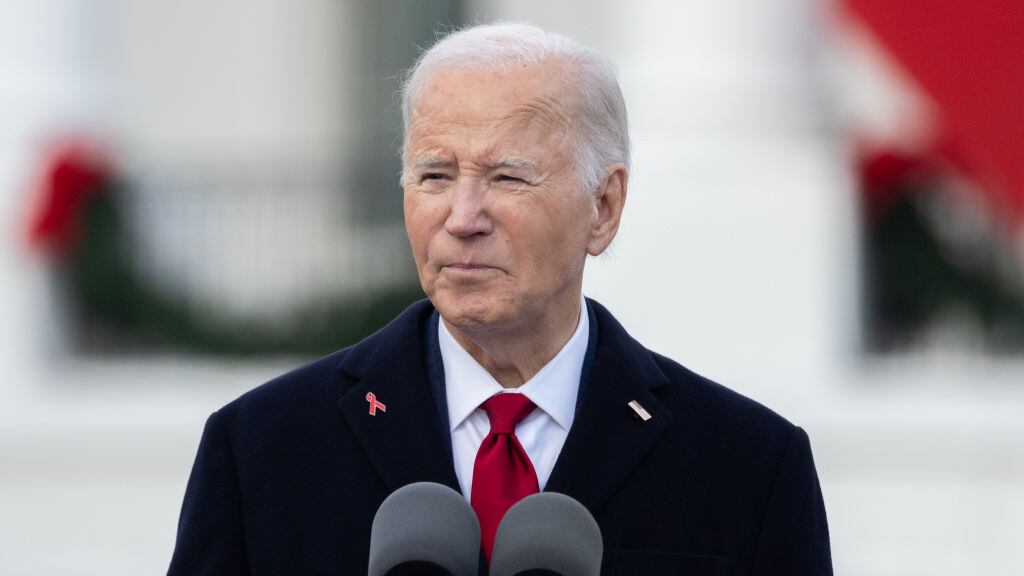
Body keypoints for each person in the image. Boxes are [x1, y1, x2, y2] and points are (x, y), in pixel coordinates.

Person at [167, 22, 832, 575]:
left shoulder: (748, 465)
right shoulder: (264, 448)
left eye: (507, 177)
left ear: (603, 207)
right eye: (435, 175)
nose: (463, 217)